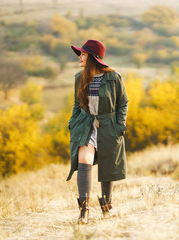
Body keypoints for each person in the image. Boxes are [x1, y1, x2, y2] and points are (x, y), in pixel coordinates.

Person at [67, 39, 129, 224]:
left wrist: (119, 127)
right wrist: (73, 123)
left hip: (109, 125)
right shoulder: (79, 78)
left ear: (93, 58)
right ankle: (83, 211)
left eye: (83, 54)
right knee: (84, 160)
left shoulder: (114, 77)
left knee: (107, 164)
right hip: (85, 125)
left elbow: (123, 103)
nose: (80, 57)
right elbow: (77, 104)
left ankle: (106, 206)